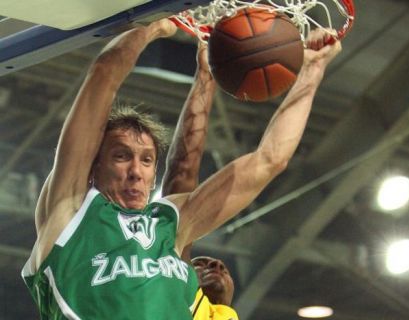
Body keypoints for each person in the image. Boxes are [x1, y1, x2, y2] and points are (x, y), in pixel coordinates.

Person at [20, 14, 341, 319]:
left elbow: (269, 160)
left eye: (146, 160)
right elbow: (104, 72)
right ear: (93, 165)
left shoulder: (168, 225)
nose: (136, 170)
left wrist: (311, 71)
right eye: (121, 156)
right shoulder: (68, 210)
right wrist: (152, 25)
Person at [160, 43, 238, 320]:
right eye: (200, 263)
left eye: (221, 267)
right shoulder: (178, 298)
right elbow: (181, 173)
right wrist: (206, 77)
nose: (216, 264)